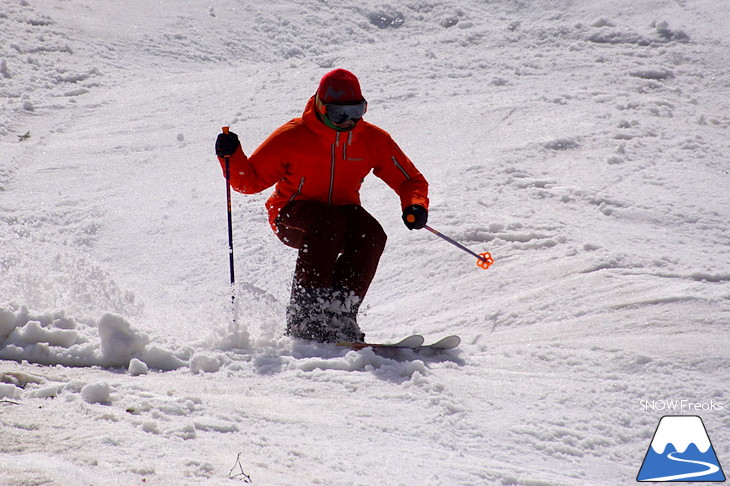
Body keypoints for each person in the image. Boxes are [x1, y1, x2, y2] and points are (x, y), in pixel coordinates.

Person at [215, 68, 429, 343]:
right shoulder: (292, 136)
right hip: (290, 213)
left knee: (372, 235)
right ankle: (306, 317)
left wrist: (414, 205)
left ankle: (340, 312)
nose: (349, 121)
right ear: (321, 107)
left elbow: (410, 180)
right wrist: (231, 155)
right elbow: (250, 182)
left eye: (357, 111)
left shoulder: (373, 139)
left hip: (340, 213)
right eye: (340, 114)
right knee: (329, 223)